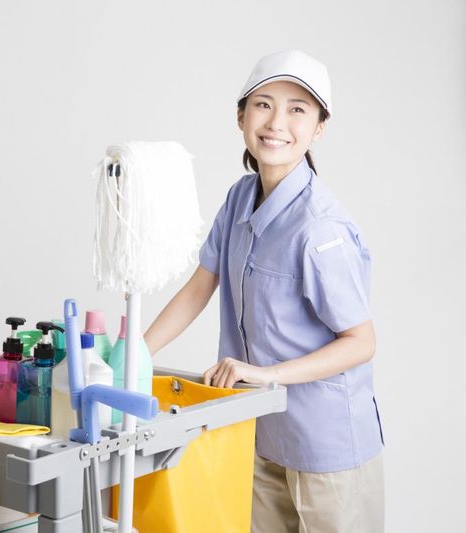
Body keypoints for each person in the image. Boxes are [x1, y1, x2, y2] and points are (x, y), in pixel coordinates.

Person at [144, 50, 385, 532]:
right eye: (263, 104)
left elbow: (361, 342)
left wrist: (264, 375)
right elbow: (200, 286)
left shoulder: (320, 228)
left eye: (298, 109)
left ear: (319, 128)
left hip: (326, 445)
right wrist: (133, 353)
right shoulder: (240, 197)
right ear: (241, 116)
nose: (277, 123)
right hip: (257, 432)